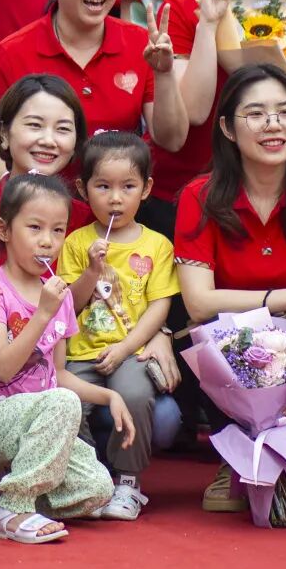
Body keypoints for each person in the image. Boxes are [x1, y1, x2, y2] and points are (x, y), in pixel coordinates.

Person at [0, 173, 127, 542]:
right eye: (34, 228)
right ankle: (13, 508)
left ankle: (4, 482)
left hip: (43, 427)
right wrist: (42, 314)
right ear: (4, 230)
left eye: (58, 230)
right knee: (62, 402)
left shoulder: (59, 296)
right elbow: (3, 367)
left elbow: (59, 375)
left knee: (97, 489)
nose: (47, 241)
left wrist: (110, 395)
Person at [175, 64, 286, 509]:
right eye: (255, 114)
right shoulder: (201, 195)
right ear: (228, 129)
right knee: (207, 336)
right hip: (237, 343)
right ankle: (235, 454)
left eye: (285, 112)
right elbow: (198, 302)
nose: (273, 125)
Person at [0, 0, 188, 168]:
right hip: (40, 190)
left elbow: (172, 139)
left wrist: (164, 74)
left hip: (119, 189)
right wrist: (16, 189)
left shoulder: (141, 44)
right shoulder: (11, 53)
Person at [58, 132, 180, 521]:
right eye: (103, 187)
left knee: (135, 394)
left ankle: (129, 481)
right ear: (82, 189)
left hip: (132, 349)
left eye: (128, 187)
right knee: (65, 401)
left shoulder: (158, 245)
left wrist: (126, 348)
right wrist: (92, 271)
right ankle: (86, 475)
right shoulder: (75, 243)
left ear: (146, 189)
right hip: (83, 351)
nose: (115, 199)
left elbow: (160, 305)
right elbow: (70, 304)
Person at [159, 0, 275, 229]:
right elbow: (193, 111)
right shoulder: (181, 6)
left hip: (276, 184)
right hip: (194, 189)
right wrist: (208, 25)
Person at [0, 76, 93, 334]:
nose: (48, 140)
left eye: (63, 129)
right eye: (34, 125)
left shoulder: (88, 219)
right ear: (4, 133)